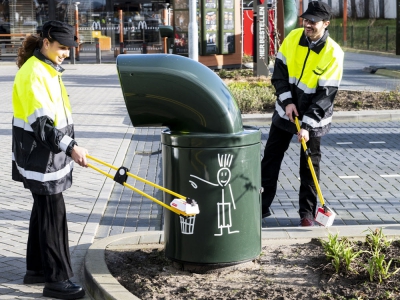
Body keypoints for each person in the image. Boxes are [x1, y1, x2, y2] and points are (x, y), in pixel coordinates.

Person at [12, 20, 88, 299]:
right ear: (46, 43)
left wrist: (69, 146)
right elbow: (42, 124)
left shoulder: (46, 68)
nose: (66, 53)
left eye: (69, 49)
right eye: (62, 47)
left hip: (45, 154)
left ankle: (37, 270)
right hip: (41, 156)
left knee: (42, 212)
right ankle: (57, 281)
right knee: (53, 216)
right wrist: (72, 148)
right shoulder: (34, 73)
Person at [261, 1, 344, 227]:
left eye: (313, 21)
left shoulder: (334, 53)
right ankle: (260, 205)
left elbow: (325, 95)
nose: (308, 24)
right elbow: (279, 75)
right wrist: (287, 102)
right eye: (306, 20)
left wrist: (306, 126)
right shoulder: (292, 39)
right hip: (286, 112)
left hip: (313, 118)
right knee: (270, 158)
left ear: (326, 24)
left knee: (309, 164)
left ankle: (307, 213)